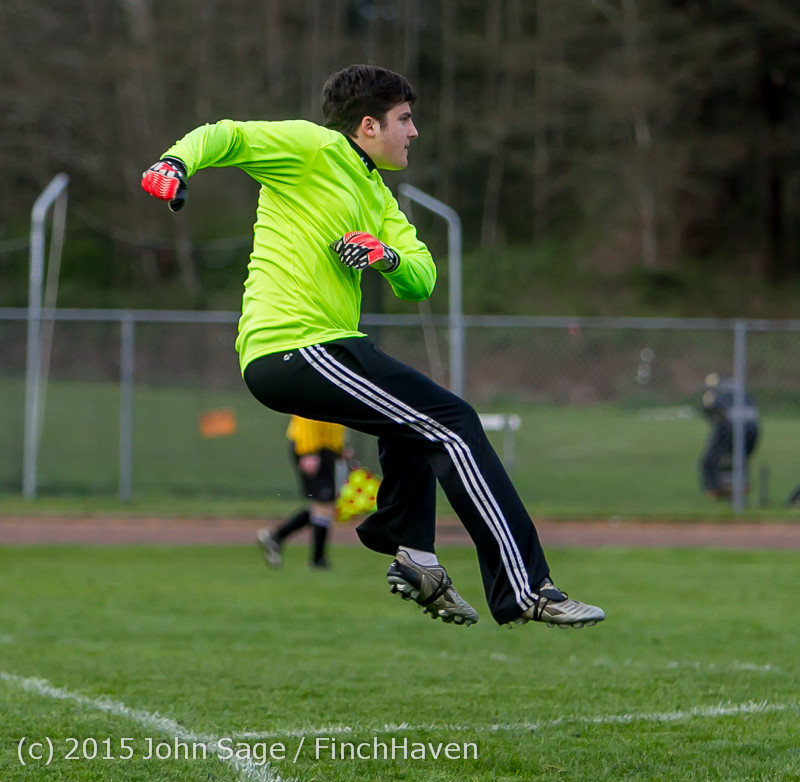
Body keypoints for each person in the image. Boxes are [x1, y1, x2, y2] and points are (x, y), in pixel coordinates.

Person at [141, 64, 605, 629]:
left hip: (323, 347)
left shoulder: (378, 196)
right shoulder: (312, 147)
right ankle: (526, 589)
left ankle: (415, 555)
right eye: (404, 119)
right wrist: (174, 162)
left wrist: (386, 257)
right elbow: (228, 135)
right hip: (293, 345)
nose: (414, 132)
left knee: (413, 424)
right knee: (453, 423)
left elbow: (423, 275)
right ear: (367, 126)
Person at [258, 416, 347, 570]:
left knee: (323, 505)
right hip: (313, 448)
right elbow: (307, 414)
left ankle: (276, 537)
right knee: (323, 504)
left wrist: (338, 447)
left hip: (325, 448)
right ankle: (317, 561)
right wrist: (309, 451)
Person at [699, 373, 760, 498]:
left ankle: (716, 489)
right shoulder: (743, 394)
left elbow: (711, 410)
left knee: (709, 461)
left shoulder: (717, 392)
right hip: (753, 431)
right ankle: (738, 486)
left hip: (729, 428)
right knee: (737, 459)